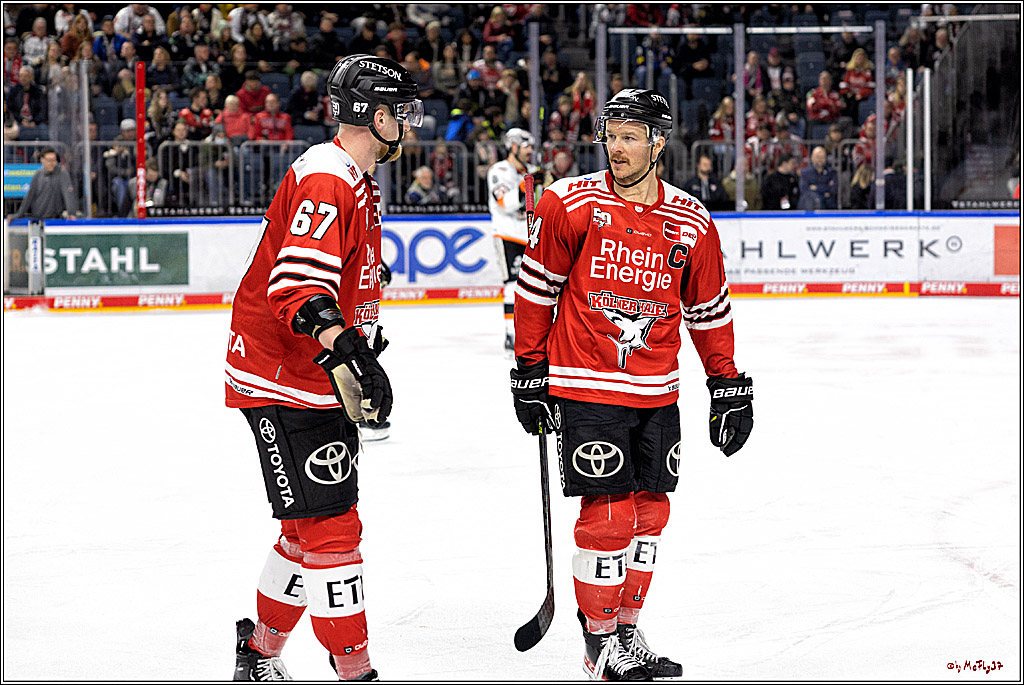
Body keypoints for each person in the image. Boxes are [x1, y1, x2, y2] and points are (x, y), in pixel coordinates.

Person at [510, 88, 754, 681]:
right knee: (610, 514)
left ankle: (625, 627)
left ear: (658, 142)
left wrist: (727, 385)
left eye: (629, 136)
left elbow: (709, 311)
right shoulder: (569, 203)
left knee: (651, 512)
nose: (616, 147)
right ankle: (599, 644)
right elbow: (537, 290)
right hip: (584, 382)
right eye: (610, 135)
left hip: (657, 388)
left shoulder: (692, 221)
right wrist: (529, 370)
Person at [226, 53, 422, 682]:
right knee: (333, 529)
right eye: (402, 113)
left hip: (308, 372)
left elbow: (329, 272)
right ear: (376, 114)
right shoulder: (327, 178)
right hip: (282, 375)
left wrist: (359, 309)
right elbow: (295, 290)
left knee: (304, 527)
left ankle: (258, 656)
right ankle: (355, 672)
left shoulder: (356, 180)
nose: (410, 125)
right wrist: (353, 351)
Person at [487, 127, 538, 355]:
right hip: (508, 235)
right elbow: (506, 203)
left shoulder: (532, 171)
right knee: (512, 285)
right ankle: (512, 334)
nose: (530, 152)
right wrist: (528, 184)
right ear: (513, 146)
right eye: (526, 147)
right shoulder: (499, 170)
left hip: (532, 236)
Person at [15, 146, 78, 219]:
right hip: (37, 218)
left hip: (55, 219)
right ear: (42, 160)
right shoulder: (38, 174)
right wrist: (19, 214)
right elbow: (30, 196)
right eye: (49, 160)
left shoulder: (62, 174)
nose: (51, 163)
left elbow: (68, 195)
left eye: (54, 160)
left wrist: (71, 213)